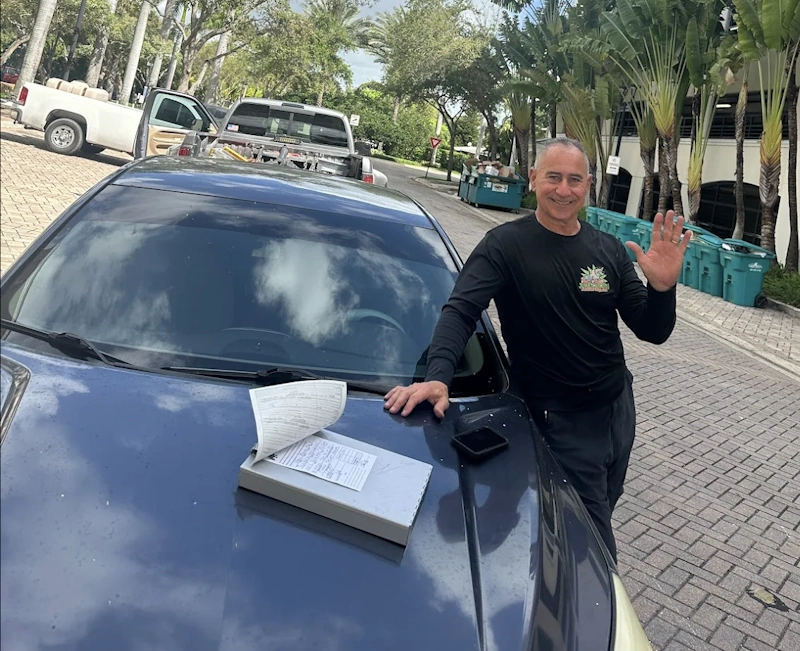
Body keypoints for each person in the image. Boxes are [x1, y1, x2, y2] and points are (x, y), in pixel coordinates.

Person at [383, 137, 691, 562]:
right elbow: (461, 310)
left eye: (574, 180)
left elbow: (652, 330)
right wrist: (438, 376)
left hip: (617, 409)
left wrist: (662, 288)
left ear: (588, 185)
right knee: (592, 548)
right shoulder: (505, 246)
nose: (564, 190)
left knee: (604, 496)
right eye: (553, 177)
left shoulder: (607, 250)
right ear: (533, 178)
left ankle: (541, 549)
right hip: (556, 418)